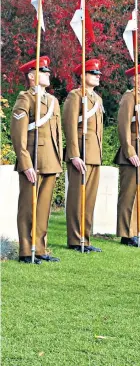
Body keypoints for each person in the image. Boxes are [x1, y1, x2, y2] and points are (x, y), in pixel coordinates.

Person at [10, 56, 63, 264]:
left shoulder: (53, 101)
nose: (48, 74)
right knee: (27, 206)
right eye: (43, 71)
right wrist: (25, 163)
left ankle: (40, 248)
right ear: (32, 76)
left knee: (43, 208)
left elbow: (57, 133)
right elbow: (18, 135)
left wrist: (57, 160)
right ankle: (25, 250)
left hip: (49, 159)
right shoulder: (26, 98)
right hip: (33, 159)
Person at [63, 58, 104, 253]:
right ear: (83, 76)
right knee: (77, 198)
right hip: (81, 153)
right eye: (93, 73)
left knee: (89, 199)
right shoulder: (75, 96)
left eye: (97, 74)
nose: (97, 76)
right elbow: (70, 126)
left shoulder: (97, 98)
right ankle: (75, 239)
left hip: (94, 153)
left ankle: (85, 239)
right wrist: (74, 154)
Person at [114, 62, 140, 247]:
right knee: (129, 194)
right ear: (136, 78)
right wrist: (129, 150)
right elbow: (123, 126)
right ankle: (126, 233)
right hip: (134, 151)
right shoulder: (130, 97)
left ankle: (135, 231)